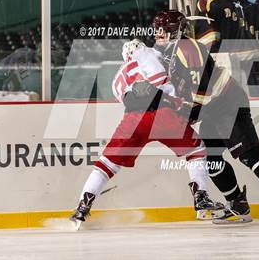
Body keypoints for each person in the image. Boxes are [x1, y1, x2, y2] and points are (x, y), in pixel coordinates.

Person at [153, 10, 259, 230]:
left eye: (166, 31)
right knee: (209, 156)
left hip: (226, 103)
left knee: (248, 154)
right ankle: (238, 204)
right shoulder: (170, 52)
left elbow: (204, 92)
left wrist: (186, 114)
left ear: (179, 31)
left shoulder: (188, 49)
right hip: (212, 107)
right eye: (158, 31)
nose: (160, 36)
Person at [70, 39, 222, 229]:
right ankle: (200, 198)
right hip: (163, 115)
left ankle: (82, 206)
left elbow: (127, 99)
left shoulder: (118, 76)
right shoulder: (150, 56)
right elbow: (166, 84)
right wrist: (181, 103)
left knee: (106, 165)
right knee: (196, 151)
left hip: (132, 121)